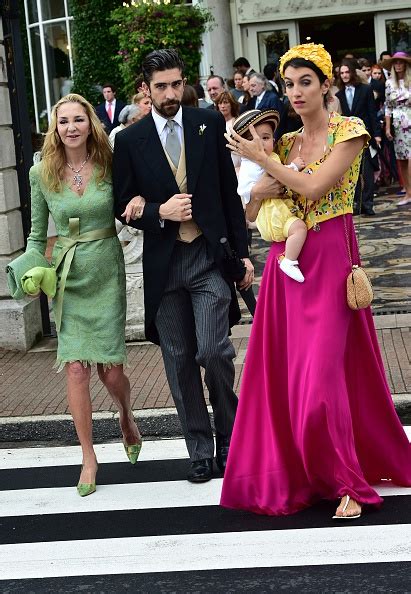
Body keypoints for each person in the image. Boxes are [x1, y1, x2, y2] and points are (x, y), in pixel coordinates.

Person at [221, 43, 411, 519]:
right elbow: (251, 213)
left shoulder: (350, 131)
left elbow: (311, 187)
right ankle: (309, 473)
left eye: (306, 82)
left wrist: (262, 164)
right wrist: (255, 187)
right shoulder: (283, 143)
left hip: (332, 261)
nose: (296, 92)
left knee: (324, 377)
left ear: (326, 84)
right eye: (289, 84)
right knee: (289, 377)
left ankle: (348, 480)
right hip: (290, 265)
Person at [112, 49, 253, 484]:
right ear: (146, 88)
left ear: (183, 81)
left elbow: (229, 194)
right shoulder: (131, 141)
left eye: (176, 84)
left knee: (213, 350)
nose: (171, 93)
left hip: (208, 256)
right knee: (178, 359)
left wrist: (243, 251)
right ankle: (199, 447)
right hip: (164, 264)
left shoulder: (207, 125)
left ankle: (228, 438)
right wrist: (158, 211)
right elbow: (122, 205)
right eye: (161, 87)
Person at [25, 94, 142, 496]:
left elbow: (130, 202)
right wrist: (28, 270)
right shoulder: (41, 172)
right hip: (67, 277)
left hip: (106, 271)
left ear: (90, 123)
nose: (71, 127)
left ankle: (126, 414)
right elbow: (37, 235)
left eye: (78, 120)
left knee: (110, 370)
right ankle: (88, 456)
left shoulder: (111, 163)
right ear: (54, 129)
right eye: (63, 122)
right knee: (76, 368)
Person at [235, 109, 307, 282]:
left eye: (265, 138)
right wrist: (294, 167)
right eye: (252, 140)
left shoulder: (274, 154)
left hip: (278, 212)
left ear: (274, 140)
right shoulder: (252, 164)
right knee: (299, 228)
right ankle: (288, 261)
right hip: (273, 216)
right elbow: (277, 175)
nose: (259, 145)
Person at [336, 59, 382, 215]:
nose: (344, 75)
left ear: (353, 72)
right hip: (348, 138)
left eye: (347, 72)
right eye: (342, 73)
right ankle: (356, 203)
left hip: (365, 135)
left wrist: (377, 135)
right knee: (351, 172)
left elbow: (372, 112)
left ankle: (368, 204)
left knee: (367, 171)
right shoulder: (338, 94)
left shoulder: (365, 89)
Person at [383, 52, 411, 205]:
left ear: (406, 64)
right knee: (401, 160)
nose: (398, 65)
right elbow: (388, 106)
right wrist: (387, 128)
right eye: (396, 62)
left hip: (410, 118)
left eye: (401, 62)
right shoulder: (389, 83)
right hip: (398, 123)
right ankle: (408, 192)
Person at [215, 90, 241, 171]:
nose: (222, 106)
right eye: (220, 103)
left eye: (226, 102)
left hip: (236, 163)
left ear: (232, 105)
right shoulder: (214, 123)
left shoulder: (238, 123)